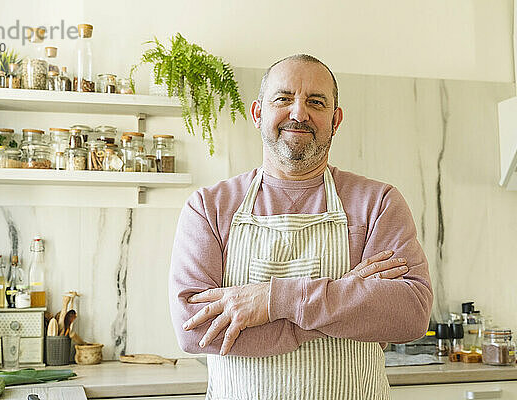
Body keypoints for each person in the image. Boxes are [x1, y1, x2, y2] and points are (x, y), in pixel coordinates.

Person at [168, 54, 433, 399]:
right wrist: (345, 304)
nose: (298, 113)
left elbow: (409, 313)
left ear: (335, 120)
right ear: (258, 113)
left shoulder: (378, 202)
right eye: (284, 99)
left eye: (316, 102)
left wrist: (273, 300)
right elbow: (196, 330)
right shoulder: (209, 207)